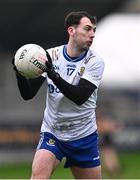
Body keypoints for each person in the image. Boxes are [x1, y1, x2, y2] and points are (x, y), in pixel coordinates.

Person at [12, 11, 105, 179]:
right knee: (38, 176)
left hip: (83, 135)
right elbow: (28, 94)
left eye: (94, 30)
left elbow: (79, 97)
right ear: (72, 30)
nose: (92, 34)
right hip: (53, 132)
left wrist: (54, 75)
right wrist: (20, 74)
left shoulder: (95, 61)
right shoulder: (49, 56)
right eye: (87, 29)